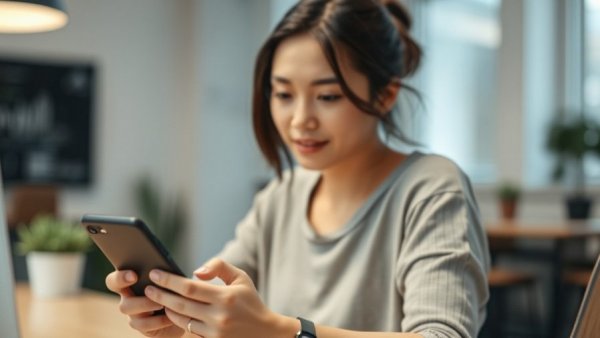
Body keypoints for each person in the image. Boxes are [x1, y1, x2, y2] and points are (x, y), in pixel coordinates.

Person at [106, 0, 490, 337]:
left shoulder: (433, 188)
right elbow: (225, 303)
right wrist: (182, 319)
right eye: (284, 94)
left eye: (327, 96)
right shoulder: (281, 196)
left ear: (385, 95)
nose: (300, 120)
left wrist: (283, 332)